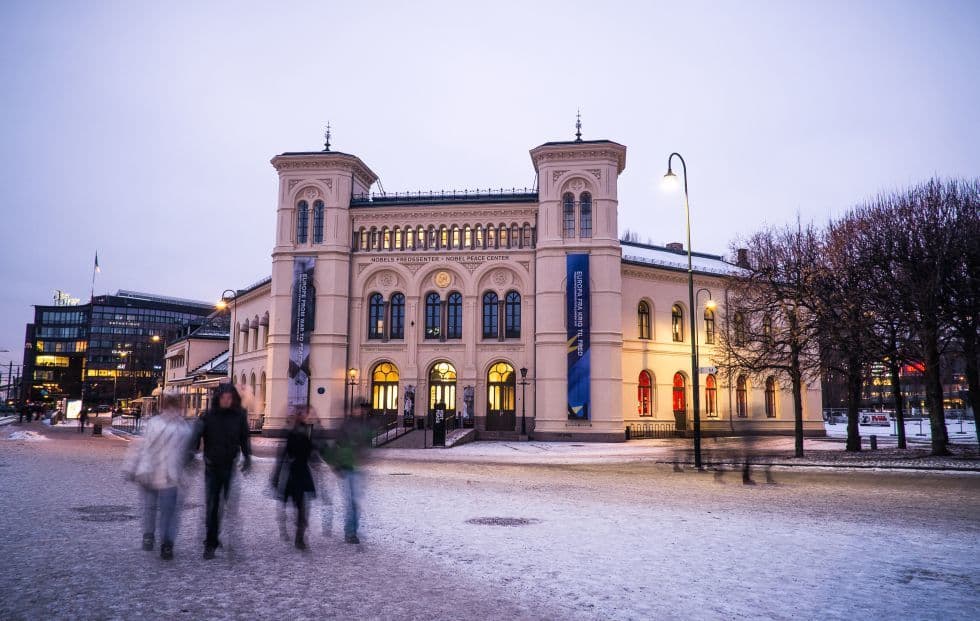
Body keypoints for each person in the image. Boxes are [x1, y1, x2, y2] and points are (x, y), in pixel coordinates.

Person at [121, 391, 192, 560]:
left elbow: (139, 446)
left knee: (150, 508)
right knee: (167, 512)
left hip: (150, 471)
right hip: (168, 475)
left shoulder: (154, 423)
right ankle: (166, 543)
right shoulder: (183, 428)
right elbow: (184, 455)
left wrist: (130, 467)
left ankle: (150, 536)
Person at [187, 383, 252, 559]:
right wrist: (191, 452)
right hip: (212, 466)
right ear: (218, 398)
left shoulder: (239, 417)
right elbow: (196, 436)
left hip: (229, 465)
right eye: (223, 397)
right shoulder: (208, 416)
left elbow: (244, 438)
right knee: (212, 505)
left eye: (229, 398)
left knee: (227, 506)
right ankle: (210, 542)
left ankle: (220, 538)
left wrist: (248, 457)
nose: (226, 400)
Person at [323, 398, 373, 544]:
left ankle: (352, 531)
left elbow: (365, 443)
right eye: (359, 408)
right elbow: (337, 445)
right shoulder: (348, 425)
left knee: (355, 501)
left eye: (364, 409)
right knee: (352, 502)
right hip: (347, 467)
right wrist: (335, 464)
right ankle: (350, 532)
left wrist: (364, 454)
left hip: (356, 467)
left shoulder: (363, 425)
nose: (362, 411)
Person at [271, 405, 320, 550]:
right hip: (292, 473)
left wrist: (315, 459)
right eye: (302, 414)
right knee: (293, 505)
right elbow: (282, 454)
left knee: (301, 507)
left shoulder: (308, 431)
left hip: (302, 472)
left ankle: (299, 537)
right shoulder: (290, 432)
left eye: (305, 413)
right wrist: (276, 475)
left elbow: (312, 450)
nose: (305, 416)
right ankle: (290, 531)